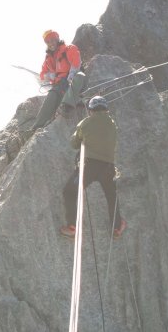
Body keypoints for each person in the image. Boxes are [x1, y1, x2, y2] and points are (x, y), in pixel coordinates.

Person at [60, 96, 127, 239]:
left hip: (89, 166)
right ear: (106, 109)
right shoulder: (113, 124)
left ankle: (72, 226)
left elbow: (74, 144)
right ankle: (117, 227)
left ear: (90, 110)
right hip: (108, 167)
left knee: (70, 191)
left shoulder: (86, 123)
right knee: (111, 196)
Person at [31, 30, 86, 130]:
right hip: (59, 85)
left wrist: (72, 73)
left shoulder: (69, 49)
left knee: (80, 76)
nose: (51, 43)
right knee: (52, 96)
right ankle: (36, 127)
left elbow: (76, 61)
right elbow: (42, 74)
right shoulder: (48, 58)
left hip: (71, 82)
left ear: (57, 39)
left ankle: (66, 106)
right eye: (47, 42)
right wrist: (50, 76)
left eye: (52, 40)